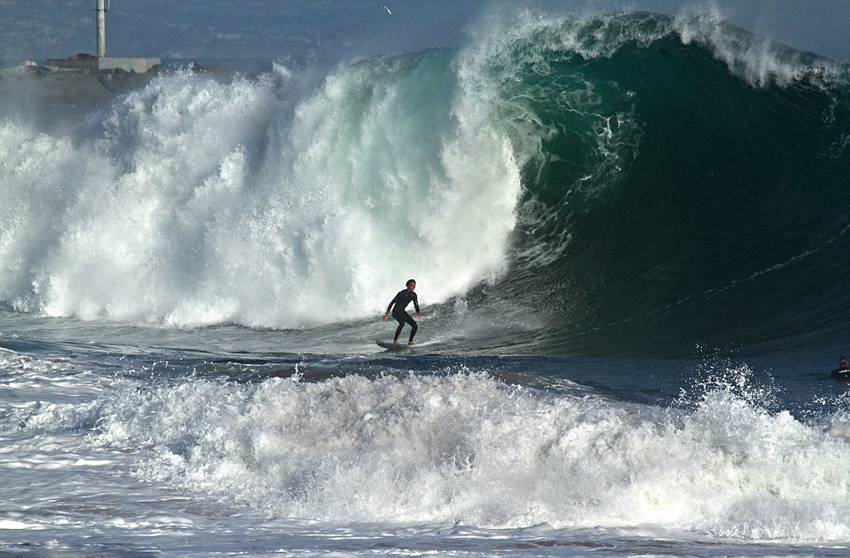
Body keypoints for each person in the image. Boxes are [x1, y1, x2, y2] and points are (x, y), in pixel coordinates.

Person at [383, 279, 421, 345]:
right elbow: (392, 303)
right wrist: (387, 314)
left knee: (415, 326)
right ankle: (395, 341)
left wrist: (418, 312)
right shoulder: (401, 293)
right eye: (412, 285)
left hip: (402, 312)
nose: (413, 287)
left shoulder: (414, 295)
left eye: (414, 285)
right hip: (395, 312)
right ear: (408, 286)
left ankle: (410, 341)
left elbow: (416, 304)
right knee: (402, 323)